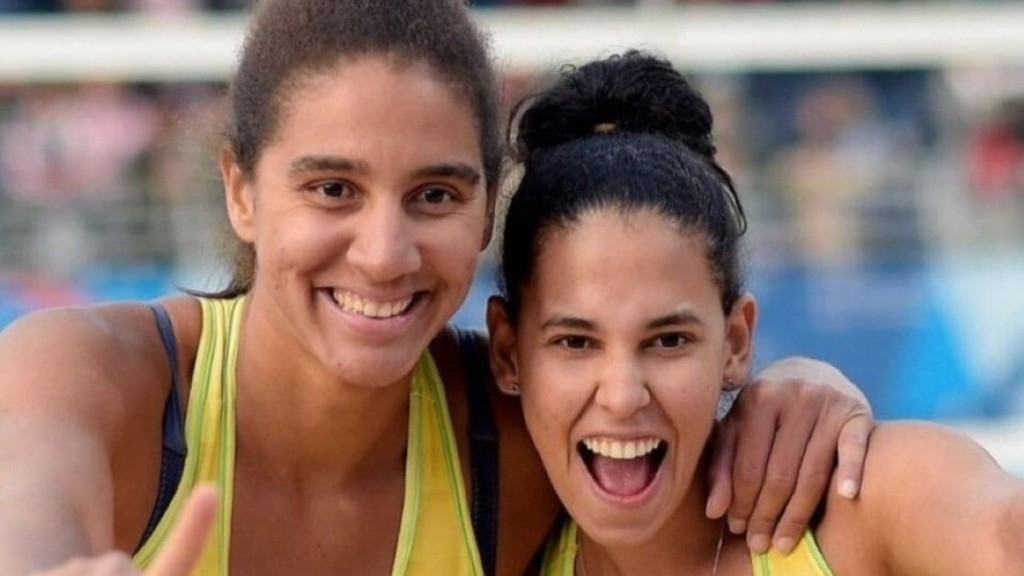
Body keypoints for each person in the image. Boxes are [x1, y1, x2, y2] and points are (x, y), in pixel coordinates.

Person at [0, 2, 872, 575]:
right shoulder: (99, 376)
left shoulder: (521, 441)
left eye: (435, 195)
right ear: (240, 190)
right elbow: (24, 503)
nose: (385, 254)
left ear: (488, 208)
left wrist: (800, 393)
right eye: (333, 189)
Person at [486, 50, 1024, 575]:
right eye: (576, 342)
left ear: (736, 343)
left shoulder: (864, 499)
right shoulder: (491, 541)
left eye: (669, 340)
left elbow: (1002, 538)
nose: (623, 396)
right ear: (508, 352)